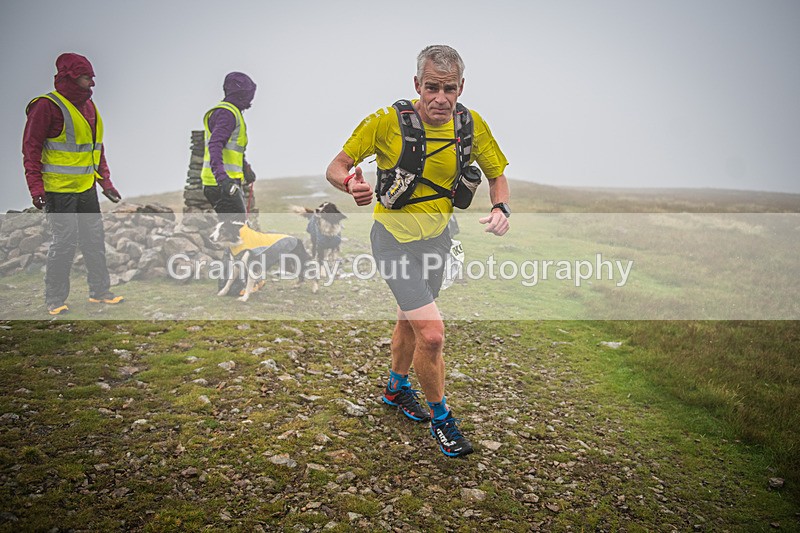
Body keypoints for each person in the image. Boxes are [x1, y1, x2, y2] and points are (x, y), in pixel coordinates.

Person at [326, 45, 511, 457]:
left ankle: (395, 390)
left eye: (449, 89)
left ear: (461, 87)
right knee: (432, 333)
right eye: (431, 87)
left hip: (438, 241)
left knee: (410, 320)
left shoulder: (471, 124)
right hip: (392, 240)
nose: (440, 98)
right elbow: (337, 165)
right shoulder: (386, 122)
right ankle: (443, 421)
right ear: (417, 85)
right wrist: (349, 184)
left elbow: (497, 174)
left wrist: (501, 207)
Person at [22, 53, 124, 316]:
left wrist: (106, 183)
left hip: (86, 188)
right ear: (69, 78)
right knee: (64, 243)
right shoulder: (46, 106)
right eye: (85, 77)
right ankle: (55, 300)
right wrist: (36, 189)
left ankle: (100, 293)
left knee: (94, 241)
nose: (91, 83)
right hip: (58, 190)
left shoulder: (90, 107)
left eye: (92, 77)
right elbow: (31, 149)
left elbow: (95, 150)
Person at [201, 72, 257, 221]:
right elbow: (215, 144)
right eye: (249, 94)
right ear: (241, 94)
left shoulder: (230, 112)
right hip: (222, 183)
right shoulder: (227, 114)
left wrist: (245, 169)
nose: (251, 99)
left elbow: (232, 148)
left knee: (233, 229)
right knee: (237, 230)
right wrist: (223, 179)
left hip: (221, 182)